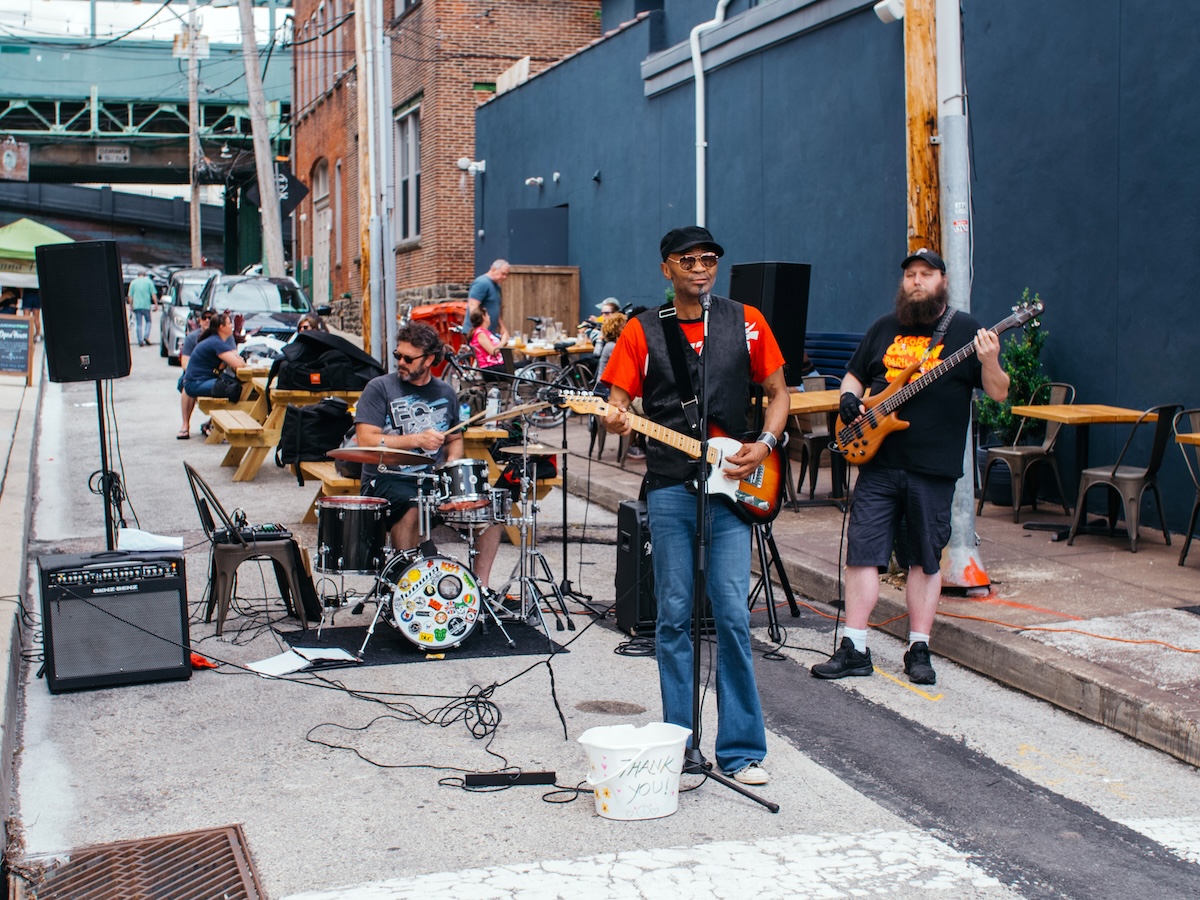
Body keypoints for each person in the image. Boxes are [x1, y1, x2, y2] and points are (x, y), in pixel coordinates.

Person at [602, 226, 789, 786]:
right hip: (669, 486)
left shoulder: (747, 321)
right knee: (674, 617)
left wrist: (766, 445)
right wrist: (615, 416)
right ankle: (680, 748)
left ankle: (740, 750)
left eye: (709, 260)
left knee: (732, 614)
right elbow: (617, 403)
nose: (701, 269)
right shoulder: (641, 331)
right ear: (667, 269)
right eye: (689, 261)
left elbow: (780, 393)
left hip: (733, 485)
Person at [811, 247, 1010, 686]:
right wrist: (848, 398)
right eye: (910, 275)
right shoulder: (883, 327)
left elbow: (998, 392)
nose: (916, 281)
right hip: (878, 462)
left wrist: (990, 359)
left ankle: (919, 647)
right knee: (862, 552)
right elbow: (855, 375)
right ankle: (854, 646)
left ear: (942, 281)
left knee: (925, 558)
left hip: (933, 468)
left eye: (926, 274)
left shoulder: (966, 331)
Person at [356, 323, 502, 590]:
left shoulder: (445, 392)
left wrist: (451, 468)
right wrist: (416, 440)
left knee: (489, 511)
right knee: (412, 507)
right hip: (387, 479)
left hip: (433, 481)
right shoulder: (379, 388)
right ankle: (406, 589)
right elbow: (366, 439)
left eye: (408, 358)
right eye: (397, 356)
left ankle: (479, 588)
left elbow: (455, 438)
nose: (400, 362)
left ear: (430, 360)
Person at [181, 312, 244, 401]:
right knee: (233, 387)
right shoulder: (216, 342)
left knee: (234, 384)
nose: (231, 326)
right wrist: (241, 361)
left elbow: (233, 357)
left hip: (199, 381)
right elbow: (238, 363)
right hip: (195, 384)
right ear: (222, 327)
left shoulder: (216, 340)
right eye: (229, 323)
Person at [176, 309, 216, 438]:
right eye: (204, 317)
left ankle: (212, 423)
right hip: (194, 375)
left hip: (213, 375)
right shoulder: (192, 338)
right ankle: (185, 425)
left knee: (226, 386)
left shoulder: (220, 339)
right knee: (187, 385)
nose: (207, 321)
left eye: (211, 318)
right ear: (199, 320)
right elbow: (185, 364)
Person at [461, 259, 510, 336]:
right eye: (503, 274)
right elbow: (473, 306)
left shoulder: (497, 287)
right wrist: (479, 329)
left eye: (506, 275)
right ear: (493, 269)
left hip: (488, 333)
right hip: (476, 333)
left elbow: (495, 309)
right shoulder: (482, 283)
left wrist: (502, 327)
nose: (505, 277)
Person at [467, 307, 509, 382]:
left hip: (496, 366)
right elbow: (493, 351)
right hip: (492, 369)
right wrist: (503, 340)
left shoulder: (484, 332)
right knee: (525, 367)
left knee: (524, 364)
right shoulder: (480, 333)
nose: (489, 317)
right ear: (483, 317)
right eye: (487, 315)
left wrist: (503, 342)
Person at [127, 271, 158, 347]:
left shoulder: (133, 283)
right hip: (146, 305)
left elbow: (130, 296)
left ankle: (140, 340)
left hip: (137, 306)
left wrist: (131, 305)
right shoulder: (149, 282)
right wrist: (156, 304)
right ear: (145, 275)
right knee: (148, 321)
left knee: (139, 324)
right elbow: (153, 294)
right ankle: (146, 336)